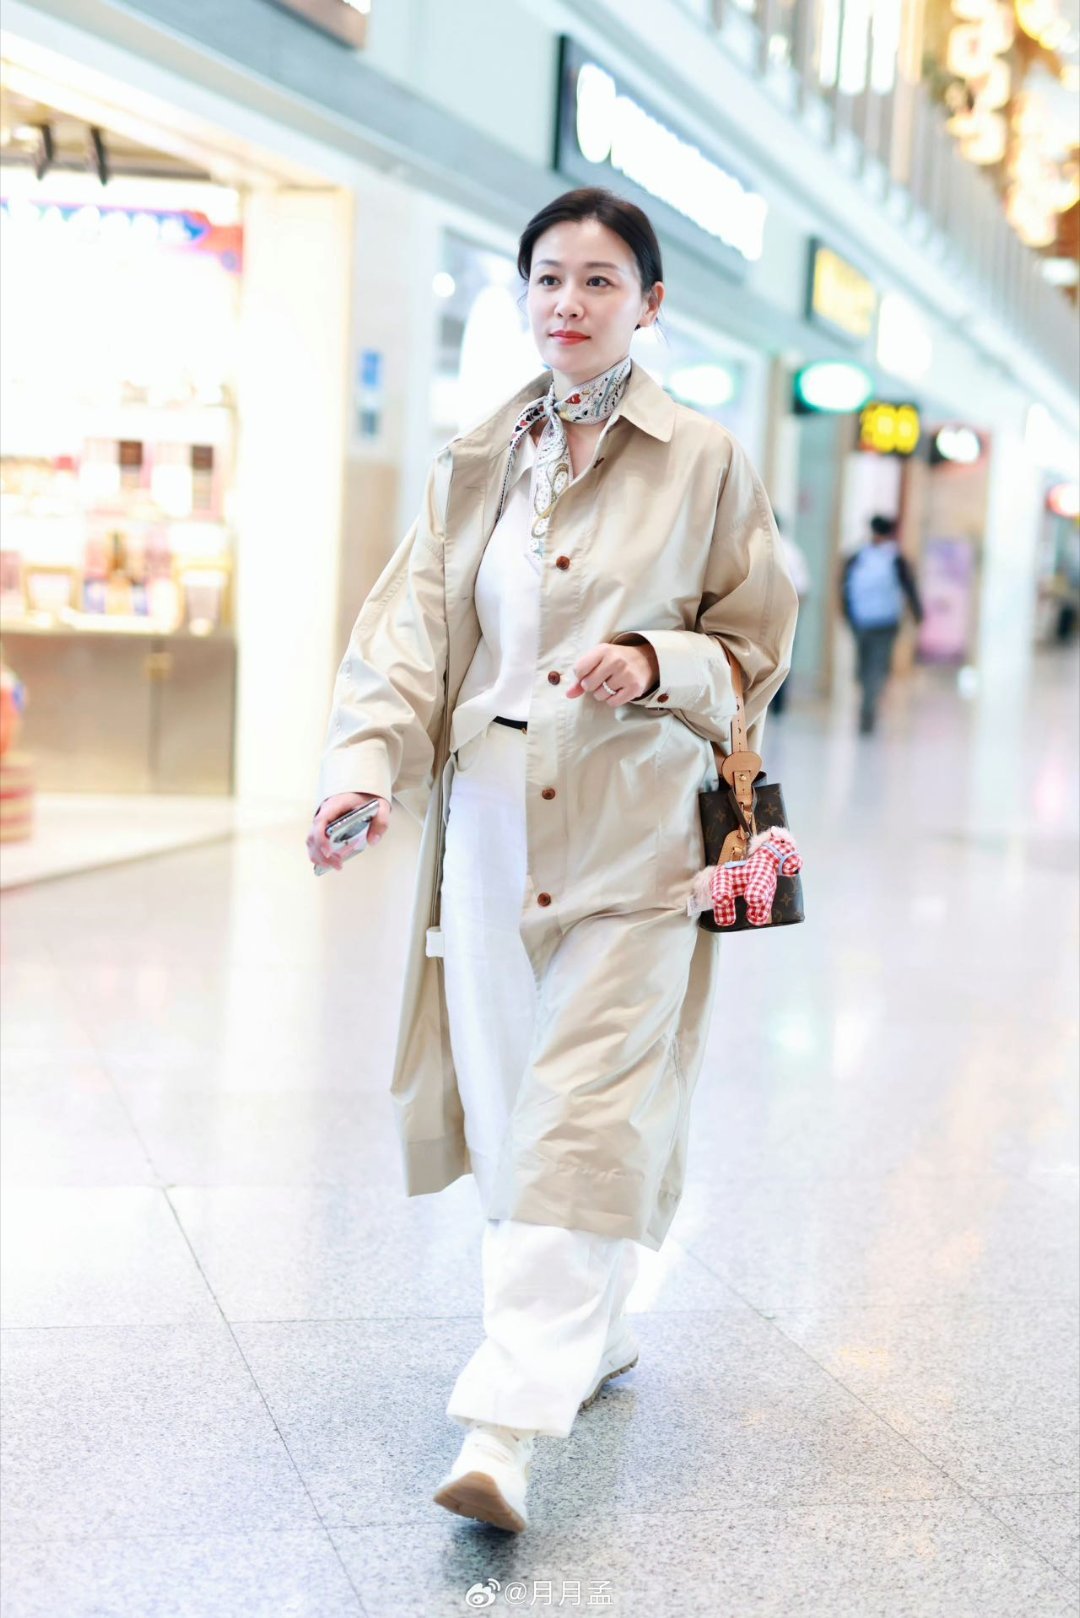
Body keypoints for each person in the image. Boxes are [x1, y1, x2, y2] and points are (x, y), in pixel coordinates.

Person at [306, 187, 798, 1534]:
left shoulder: (703, 460)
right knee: (517, 1101)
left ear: (650, 303)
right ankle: (598, 1327)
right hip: (486, 821)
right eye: (547, 278)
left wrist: (651, 659)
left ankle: (505, 1424)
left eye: (599, 280)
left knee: (585, 1106)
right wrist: (363, 770)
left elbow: (755, 647)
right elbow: (407, 633)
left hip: (637, 830)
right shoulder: (479, 454)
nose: (568, 303)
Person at [841, 514, 923, 734]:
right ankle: (869, 705)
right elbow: (909, 588)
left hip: (865, 621)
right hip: (882, 622)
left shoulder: (858, 557)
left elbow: (845, 588)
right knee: (874, 668)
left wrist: (846, 615)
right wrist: (918, 615)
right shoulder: (895, 559)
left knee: (868, 667)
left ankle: (867, 707)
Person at [768, 515, 811, 716]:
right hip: (785, 614)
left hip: (761, 615)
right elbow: (802, 589)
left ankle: (764, 702)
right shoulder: (792, 552)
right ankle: (778, 704)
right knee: (783, 657)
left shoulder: (754, 547)